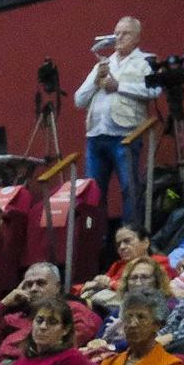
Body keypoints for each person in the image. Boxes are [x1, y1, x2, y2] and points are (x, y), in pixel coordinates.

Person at [73, 17, 158, 224]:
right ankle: (94, 241)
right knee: (93, 194)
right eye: (117, 33)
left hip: (125, 136)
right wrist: (96, 81)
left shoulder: (146, 61)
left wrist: (119, 86)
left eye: (125, 33)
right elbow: (78, 100)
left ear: (137, 38)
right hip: (95, 136)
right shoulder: (104, 63)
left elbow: (154, 89)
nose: (118, 37)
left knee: (129, 189)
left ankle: (129, 235)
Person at [0, 263, 101, 358]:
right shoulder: (17, 317)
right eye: (28, 284)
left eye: (40, 283)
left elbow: (68, 344)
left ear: (57, 287)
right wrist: (3, 305)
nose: (33, 289)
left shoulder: (74, 309)